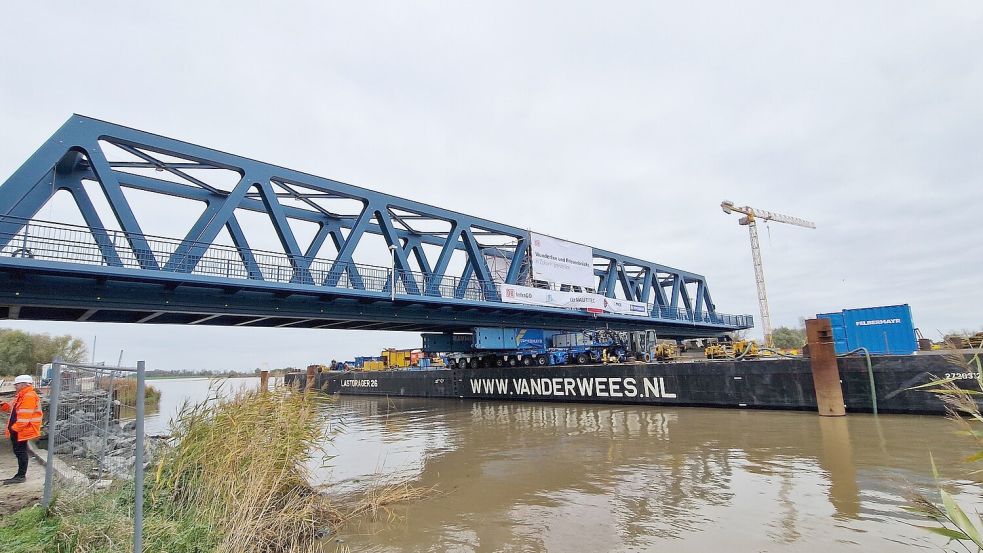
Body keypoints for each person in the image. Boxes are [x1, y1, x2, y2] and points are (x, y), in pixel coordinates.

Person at [1, 375, 42, 484]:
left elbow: (25, 417)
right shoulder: (22, 395)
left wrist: (14, 429)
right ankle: (20, 475)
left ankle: (21, 476)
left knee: (20, 451)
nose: (15, 386)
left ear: (24, 384)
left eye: (17, 384)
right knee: (19, 451)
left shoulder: (28, 396)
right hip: (19, 429)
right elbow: (10, 408)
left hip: (21, 430)